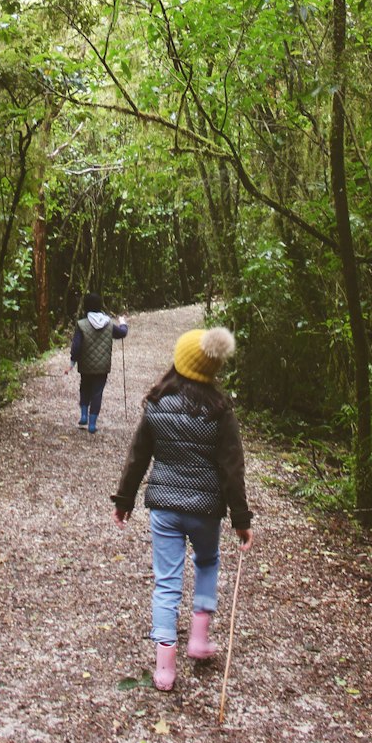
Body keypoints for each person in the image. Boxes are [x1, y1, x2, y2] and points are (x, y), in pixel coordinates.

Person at [110, 325, 253, 692]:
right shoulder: (220, 411)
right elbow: (232, 469)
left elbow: (138, 457)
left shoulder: (157, 405)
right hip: (206, 509)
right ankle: (200, 639)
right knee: (206, 562)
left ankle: (165, 668)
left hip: (164, 509)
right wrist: (241, 519)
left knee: (166, 582)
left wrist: (124, 500)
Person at [66, 291, 128, 434]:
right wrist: (123, 323)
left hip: (86, 366)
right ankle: (92, 424)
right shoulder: (108, 324)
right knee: (97, 393)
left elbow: (76, 346)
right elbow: (122, 333)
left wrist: (72, 362)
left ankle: (83, 416)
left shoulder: (82, 324)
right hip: (102, 367)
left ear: (86, 307)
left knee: (85, 388)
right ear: (100, 306)